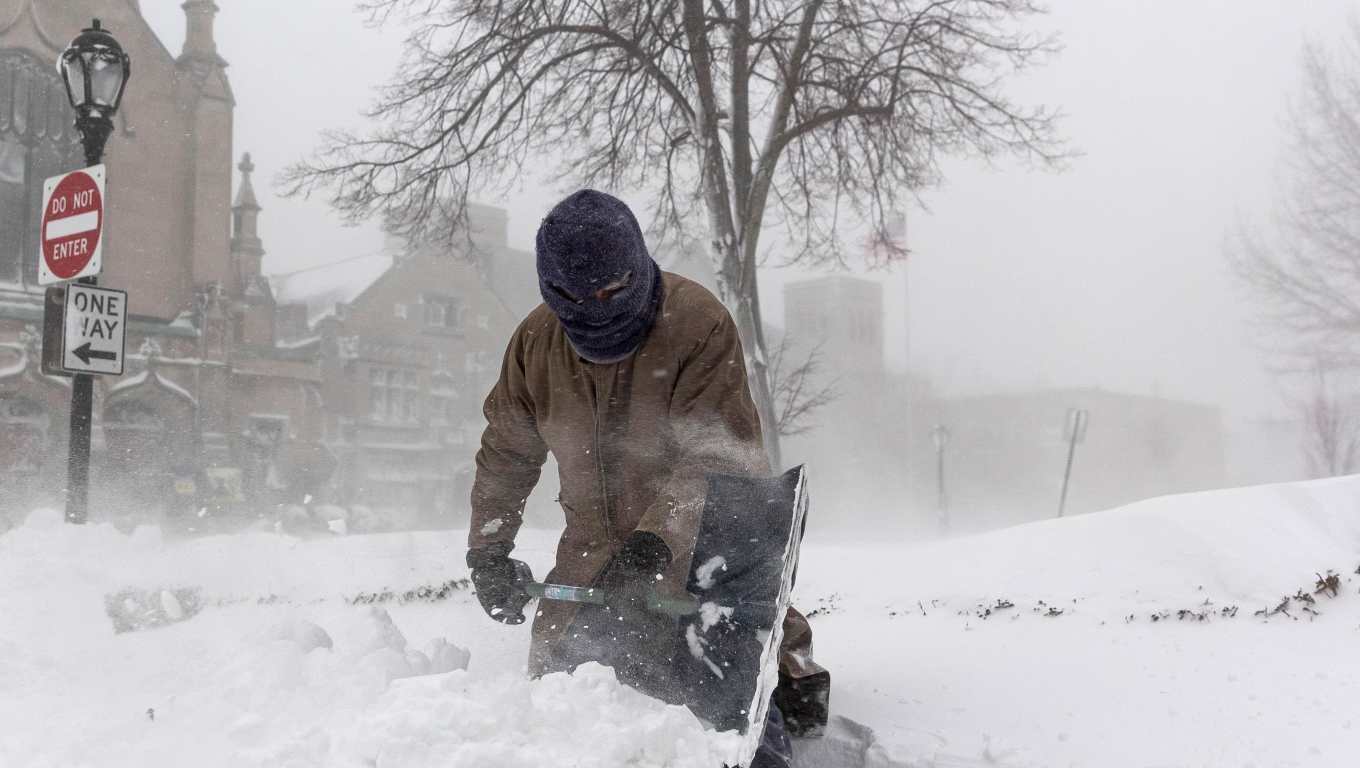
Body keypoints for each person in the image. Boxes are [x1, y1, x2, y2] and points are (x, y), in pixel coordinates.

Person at [464, 189, 828, 762]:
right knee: (563, 694)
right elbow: (507, 451)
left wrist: (655, 545)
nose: (597, 307)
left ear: (636, 266)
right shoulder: (535, 344)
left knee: (719, 694)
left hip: (696, 542)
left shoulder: (696, 324)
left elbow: (718, 457)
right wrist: (488, 551)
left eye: (611, 290)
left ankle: (786, 661)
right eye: (574, 296)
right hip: (590, 555)